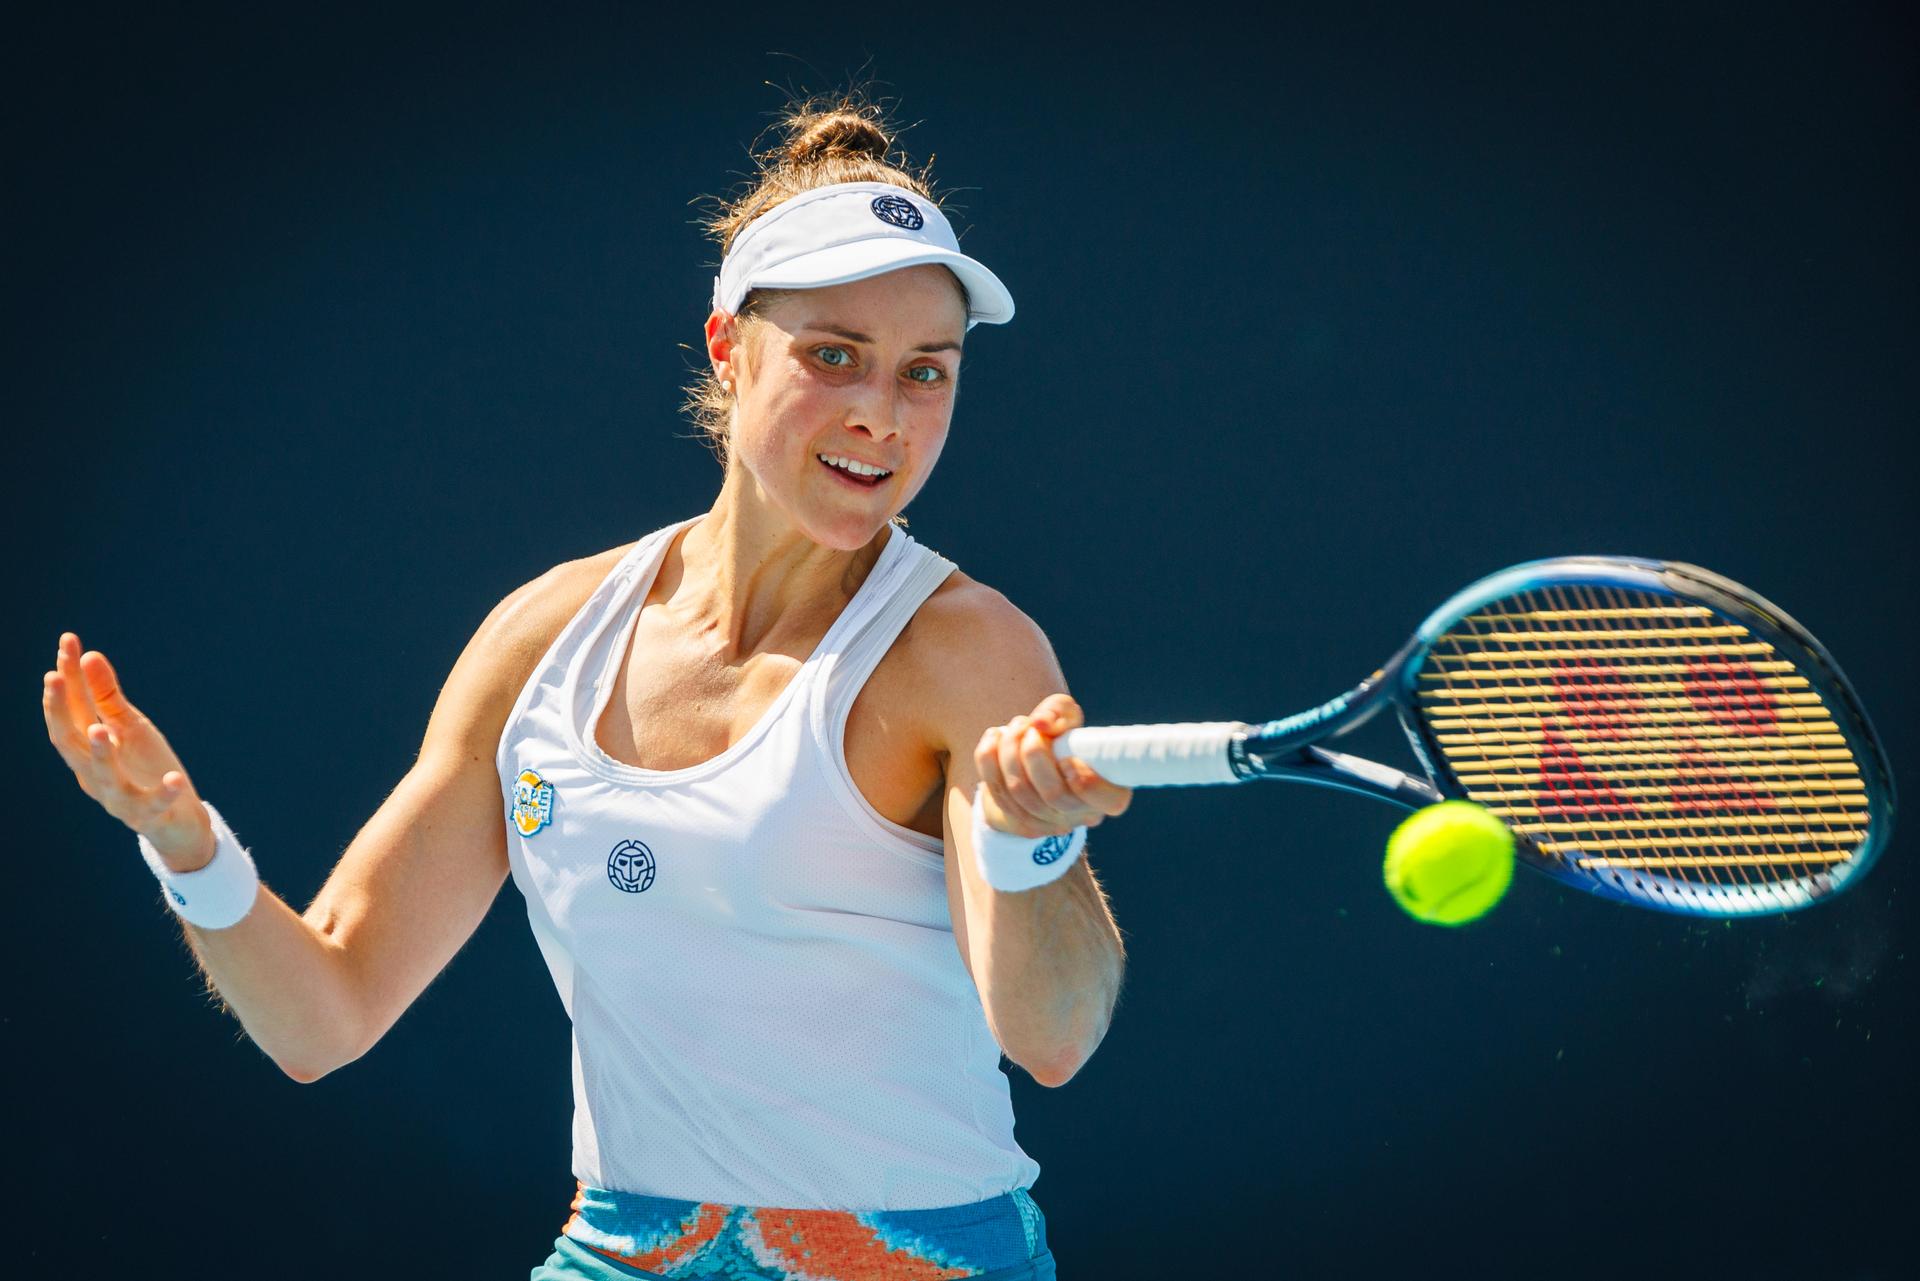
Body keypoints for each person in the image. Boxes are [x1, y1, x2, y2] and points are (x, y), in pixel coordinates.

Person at [41, 95, 1130, 1281]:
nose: (883, 411)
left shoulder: (968, 651)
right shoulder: (544, 634)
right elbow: (326, 1013)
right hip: (623, 1253)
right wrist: (184, 844)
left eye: (929, 371)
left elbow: (1056, 1039)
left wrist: (1036, 851)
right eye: (834, 356)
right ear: (727, 348)